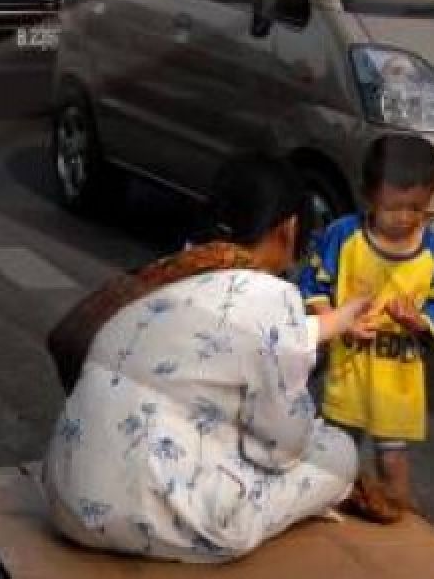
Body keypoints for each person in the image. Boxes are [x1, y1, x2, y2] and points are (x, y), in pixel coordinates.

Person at [42, 156, 374, 563]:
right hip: (161, 519)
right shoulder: (274, 297)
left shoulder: (168, 275)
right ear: (289, 229)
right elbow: (280, 449)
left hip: (67, 500)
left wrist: (335, 321)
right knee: (338, 454)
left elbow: (237, 338)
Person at [299, 134, 434, 514]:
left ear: (431, 197)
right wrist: (336, 323)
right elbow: (312, 284)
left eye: (416, 208)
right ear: (369, 196)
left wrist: (417, 321)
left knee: (392, 457)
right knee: (336, 445)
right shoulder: (344, 235)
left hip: (396, 375)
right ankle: (324, 502)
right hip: (350, 368)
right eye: (392, 208)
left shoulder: (432, 247)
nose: (403, 218)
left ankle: (394, 508)